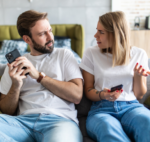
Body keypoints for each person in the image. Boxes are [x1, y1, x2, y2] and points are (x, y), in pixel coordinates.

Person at [0, 10, 83, 142]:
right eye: (42, 34)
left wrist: (39, 76)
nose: (50, 38)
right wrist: (16, 86)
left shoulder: (64, 55)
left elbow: (77, 95)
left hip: (59, 122)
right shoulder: (15, 65)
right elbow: (6, 111)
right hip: (22, 123)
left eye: (50, 30)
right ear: (27, 39)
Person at [79, 11, 150, 142]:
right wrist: (103, 95)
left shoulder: (139, 54)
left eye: (101, 32)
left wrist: (138, 76)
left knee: (147, 122)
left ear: (115, 34)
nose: (95, 35)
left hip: (132, 107)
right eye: (97, 30)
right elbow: (88, 90)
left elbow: (139, 95)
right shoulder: (91, 53)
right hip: (101, 110)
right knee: (108, 128)